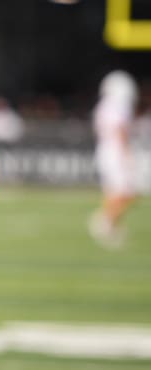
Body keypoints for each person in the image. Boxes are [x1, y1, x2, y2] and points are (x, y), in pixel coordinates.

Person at [88, 69, 139, 249]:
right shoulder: (118, 105)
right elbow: (120, 130)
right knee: (128, 191)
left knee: (114, 191)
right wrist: (126, 154)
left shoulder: (103, 105)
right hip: (115, 151)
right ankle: (105, 222)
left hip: (104, 149)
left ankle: (109, 225)